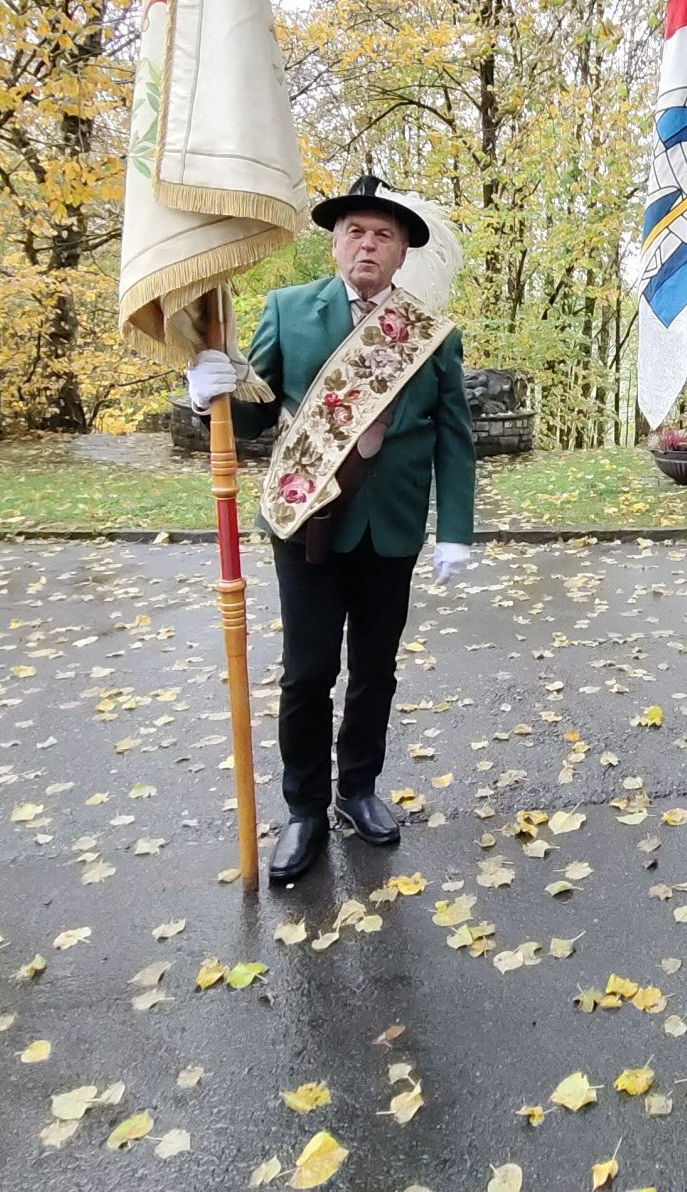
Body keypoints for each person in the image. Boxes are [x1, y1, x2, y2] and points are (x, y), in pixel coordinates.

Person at [186, 174, 475, 885]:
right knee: (309, 672)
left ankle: (358, 791)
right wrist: (212, 392)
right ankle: (306, 808)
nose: (367, 244)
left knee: (376, 669)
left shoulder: (429, 334)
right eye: (355, 231)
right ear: (336, 244)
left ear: (403, 253)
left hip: (393, 524)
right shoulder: (288, 312)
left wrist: (456, 529)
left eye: (384, 234)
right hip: (305, 516)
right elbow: (252, 420)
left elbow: (453, 437)